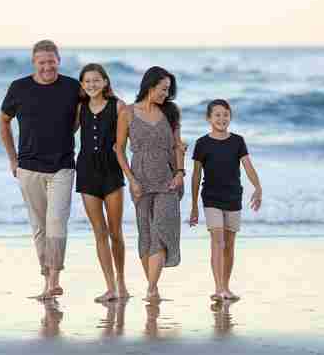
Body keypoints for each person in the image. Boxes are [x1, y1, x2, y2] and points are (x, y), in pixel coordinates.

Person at [0, 40, 81, 299]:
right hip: (29, 168)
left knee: (57, 222)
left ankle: (55, 278)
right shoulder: (19, 88)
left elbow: (81, 117)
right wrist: (13, 159)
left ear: (59, 60)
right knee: (39, 227)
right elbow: (3, 121)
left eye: (51, 61)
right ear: (34, 63)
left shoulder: (72, 87)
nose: (47, 66)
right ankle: (47, 281)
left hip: (62, 166)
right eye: (42, 62)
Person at [116, 66, 185, 302]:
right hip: (140, 180)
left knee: (161, 231)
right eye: (163, 89)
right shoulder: (127, 112)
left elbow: (177, 145)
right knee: (145, 233)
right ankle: (152, 289)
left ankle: (152, 288)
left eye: (168, 90)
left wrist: (180, 173)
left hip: (168, 179)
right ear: (150, 86)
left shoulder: (171, 111)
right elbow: (119, 149)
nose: (166, 94)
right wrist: (131, 180)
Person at [189, 99, 262, 301]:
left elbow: (248, 166)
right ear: (209, 118)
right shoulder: (202, 143)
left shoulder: (238, 141)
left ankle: (226, 287)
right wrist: (194, 205)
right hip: (211, 197)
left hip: (233, 197)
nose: (222, 118)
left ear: (230, 117)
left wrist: (258, 187)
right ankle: (218, 288)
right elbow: (196, 176)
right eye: (217, 115)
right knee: (218, 240)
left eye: (225, 114)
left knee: (229, 244)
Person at [76, 63, 129, 302]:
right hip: (86, 172)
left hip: (111, 173)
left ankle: (121, 281)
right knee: (100, 232)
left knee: (115, 232)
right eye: (87, 81)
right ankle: (110, 287)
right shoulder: (80, 108)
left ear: (105, 82)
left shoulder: (119, 106)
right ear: (82, 85)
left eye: (96, 80)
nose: (92, 85)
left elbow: (125, 144)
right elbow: (63, 133)